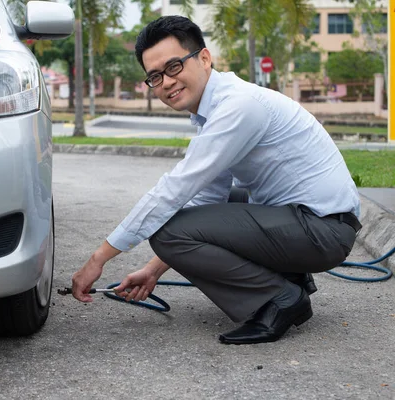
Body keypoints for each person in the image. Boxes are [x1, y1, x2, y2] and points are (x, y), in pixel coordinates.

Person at [70, 15, 362, 345]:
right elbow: (206, 198)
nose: (166, 82)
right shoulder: (217, 110)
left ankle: (280, 298)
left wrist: (98, 260)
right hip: (313, 224)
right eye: (155, 76)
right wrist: (153, 271)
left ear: (204, 58)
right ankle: (286, 278)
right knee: (213, 206)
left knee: (166, 228)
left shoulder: (238, 106)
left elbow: (175, 189)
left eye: (174, 67)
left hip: (321, 230)